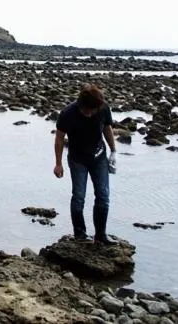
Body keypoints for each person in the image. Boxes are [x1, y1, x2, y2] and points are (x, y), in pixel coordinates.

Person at [53, 84, 117, 244]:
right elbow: (59, 138)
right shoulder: (67, 113)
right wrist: (58, 163)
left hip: (99, 157)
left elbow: (107, 129)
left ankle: (100, 235)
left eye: (92, 111)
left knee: (103, 195)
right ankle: (80, 234)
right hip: (77, 159)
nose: (89, 114)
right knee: (79, 196)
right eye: (86, 111)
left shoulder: (102, 108)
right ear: (80, 105)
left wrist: (113, 151)